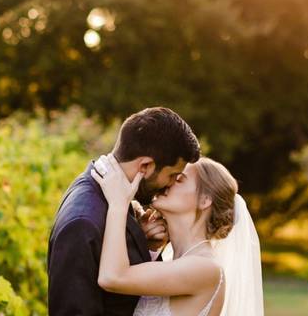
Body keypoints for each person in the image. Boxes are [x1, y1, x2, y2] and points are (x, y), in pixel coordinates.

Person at [48, 107, 201, 315]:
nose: (172, 184)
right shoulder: (83, 222)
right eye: (173, 175)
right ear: (145, 166)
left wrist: (147, 248)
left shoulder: (117, 195)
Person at [91, 152, 264, 316]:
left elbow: (112, 278)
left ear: (204, 200)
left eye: (179, 179)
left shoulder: (206, 269)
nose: (168, 182)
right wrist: (149, 247)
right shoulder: (176, 262)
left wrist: (118, 203)